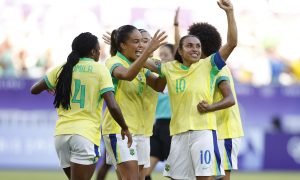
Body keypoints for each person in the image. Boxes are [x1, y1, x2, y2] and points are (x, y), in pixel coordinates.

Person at [144, 0, 237, 179]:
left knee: (204, 177)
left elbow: (232, 43)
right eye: (189, 45)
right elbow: (140, 62)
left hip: (203, 133)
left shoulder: (209, 66)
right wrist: (148, 49)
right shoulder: (169, 68)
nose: (195, 49)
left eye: (198, 46)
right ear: (179, 50)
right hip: (177, 135)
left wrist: (230, 12)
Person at [30, 32, 132, 180]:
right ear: (92, 52)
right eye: (98, 49)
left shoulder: (62, 68)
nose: (99, 52)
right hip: (85, 135)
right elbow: (112, 105)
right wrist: (125, 127)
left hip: (61, 135)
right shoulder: (100, 69)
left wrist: (48, 86)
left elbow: (34, 89)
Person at [101, 25, 167, 180]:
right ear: (123, 45)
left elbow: (158, 85)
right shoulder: (113, 61)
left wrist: (164, 71)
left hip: (142, 131)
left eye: (144, 42)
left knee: (138, 178)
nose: (141, 45)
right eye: (137, 41)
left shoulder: (143, 64)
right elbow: (127, 75)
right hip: (120, 130)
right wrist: (145, 55)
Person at [187, 4, 244, 180]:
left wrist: (209, 107)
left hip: (225, 132)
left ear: (202, 46)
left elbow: (230, 99)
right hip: (209, 131)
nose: (192, 48)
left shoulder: (218, 68)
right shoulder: (199, 68)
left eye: (195, 45)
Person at [145, 43, 175, 180]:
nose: (162, 57)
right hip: (157, 127)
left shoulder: (178, 76)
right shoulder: (156, 78)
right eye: (160, 55)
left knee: (175, 172)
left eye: (166, 55)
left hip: (173, 127)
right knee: (144, 173)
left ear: (174, 56)